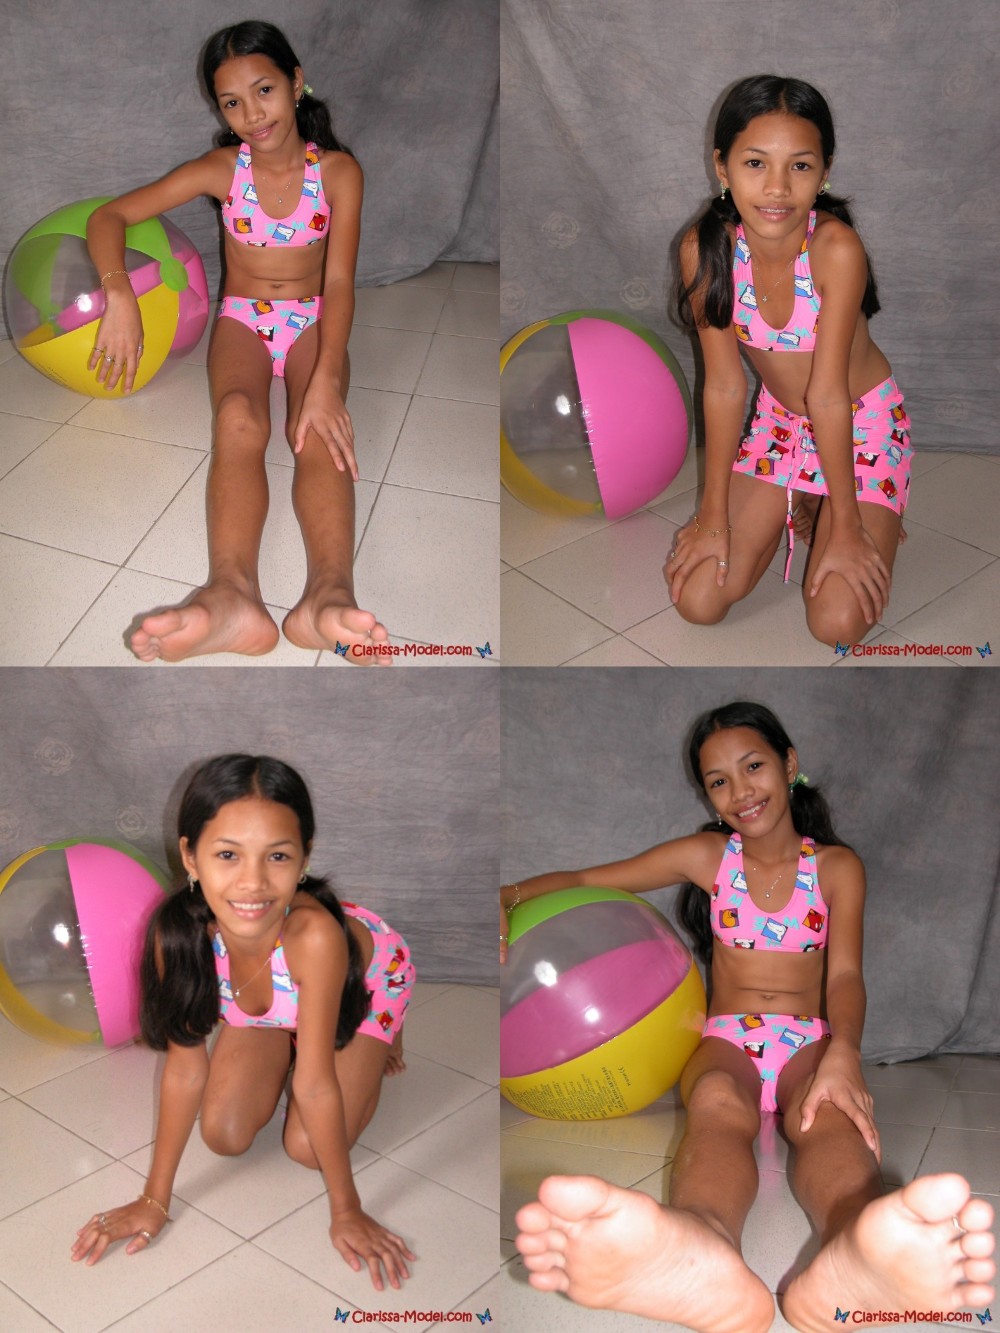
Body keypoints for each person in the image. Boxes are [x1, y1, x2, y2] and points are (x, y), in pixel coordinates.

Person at [502, 702, 994, 1332]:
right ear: (708, 797)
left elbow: (845, 976)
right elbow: (586, 878)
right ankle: (701, 1244)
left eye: (753, 766)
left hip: (807, 1039)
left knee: (826, 1114)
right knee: (714, 1100)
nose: (740, 791)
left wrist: (843, 1053)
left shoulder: (836, 868)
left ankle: (855, 1244)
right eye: (718, 781)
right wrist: (506, 896)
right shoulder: (708, 857)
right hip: (727, 1039)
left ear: (789, 765)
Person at [86, 21, 390, 664]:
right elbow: (107, 217)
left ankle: (327, 596)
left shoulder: (339, 173)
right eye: (231, 102)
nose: (252, 114)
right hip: (243, 320)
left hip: (311, 319)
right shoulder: (222, 170)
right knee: (237, 419)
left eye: (264, 90)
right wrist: (118, 294)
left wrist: (326, 378)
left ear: (297, 83)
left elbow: (340, 283)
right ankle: (232, 595)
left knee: (319, 431)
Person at [72, 754, 416, 1290]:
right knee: (224, 1134)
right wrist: (154, 1200)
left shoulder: (317, 937)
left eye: (277, 856)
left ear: (304, 858)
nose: (252, 883)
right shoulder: (178, 939)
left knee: (307, 1148)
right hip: (271, 997)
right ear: (190, 856)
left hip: (364, 984)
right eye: (228, 854)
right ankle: (287, 1030)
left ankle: (382, 1034)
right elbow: (186, 1070)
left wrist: (346, 1210)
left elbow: (315, 1082)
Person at [666, 76, 913, 649]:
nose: (777, 188)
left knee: (835, 624)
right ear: (722, 167)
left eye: (799, 166)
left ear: (824, 172)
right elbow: (725, 387)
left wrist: (846, 527)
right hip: (780, 423)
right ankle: (804, 489)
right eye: (755, 163)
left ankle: (842, 499)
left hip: (861, 421)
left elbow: (828, 395)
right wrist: (711, 516)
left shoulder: (836, 250)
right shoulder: (705, 251)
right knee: (698, 602)